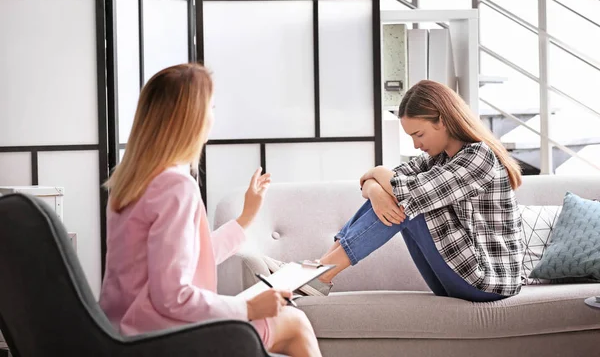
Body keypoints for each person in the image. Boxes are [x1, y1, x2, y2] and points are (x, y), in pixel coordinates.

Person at [99, 63, 322, 357]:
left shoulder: (130, 182)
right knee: (295, 323)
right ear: (189, 119)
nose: (213, 117)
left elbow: (186, 258)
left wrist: (244, 219)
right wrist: (248, 308)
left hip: (123, 334)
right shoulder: (176, 187)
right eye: (211, 107)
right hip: (164, 337)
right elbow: (172, 297)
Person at [268, 79, 524, 302]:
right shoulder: (437, 158)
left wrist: (378, 173)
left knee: (407, 203)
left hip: (488, 281)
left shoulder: (479, 156)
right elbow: (379, 183)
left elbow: (407, 191)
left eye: (419, 134)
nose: (416, 144)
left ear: (442, 121)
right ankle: (315, 271)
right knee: (398, 196)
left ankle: (319, 274)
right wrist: (377, 191)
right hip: (456, 277)